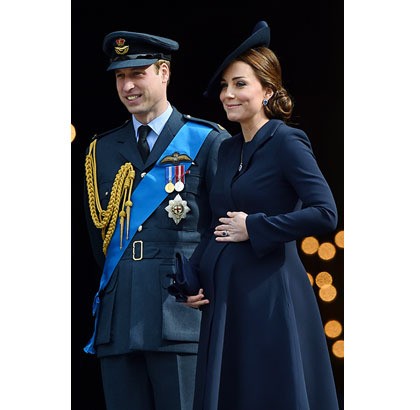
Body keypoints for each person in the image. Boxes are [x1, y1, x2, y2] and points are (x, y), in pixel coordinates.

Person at [169, 21, 340, 409]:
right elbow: (216, 225)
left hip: (269, 296)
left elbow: (325, 213)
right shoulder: (227, 149)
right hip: (226, 300)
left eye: (240, 84)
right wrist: (191, 279)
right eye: (224, 86)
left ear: (268, 91)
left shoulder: (287, 141)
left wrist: (255, 226)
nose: (228, 94)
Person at [82, 29, 230, 410]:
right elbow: (98, 240)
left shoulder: (207, 140)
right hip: (118, 319)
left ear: (164, 72)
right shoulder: (101, 149)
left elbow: (223, 227)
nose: (127, 86)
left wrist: (205, 284)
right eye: (120, 76)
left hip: (180, 314)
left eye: (138, 73)